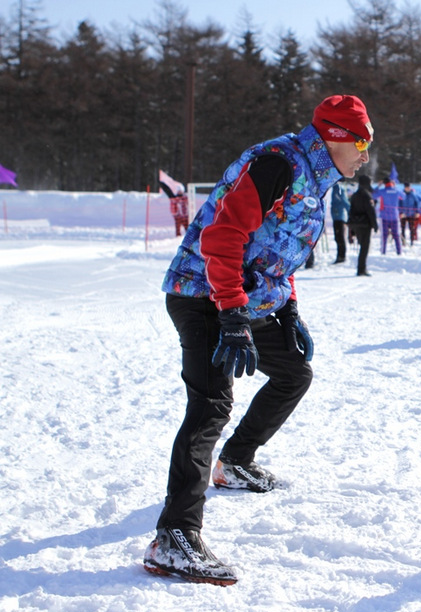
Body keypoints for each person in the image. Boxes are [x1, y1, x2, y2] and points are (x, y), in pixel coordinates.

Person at [147, 94, 373, 585]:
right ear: (334, 136)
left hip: (244, 301)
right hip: (205, 293)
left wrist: (287, 308)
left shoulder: (318, 179)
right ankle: (173, 538)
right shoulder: (278, 163)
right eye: (360, 141)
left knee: (293, 372)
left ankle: (234, 462)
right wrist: (230, 315)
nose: (365, 154)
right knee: (209, 404)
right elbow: (223, 237)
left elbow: (278, 250)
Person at [348, 174, 377, 276]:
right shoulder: (367, 195)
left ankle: (361, 268)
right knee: (364, 247)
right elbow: (370, 211)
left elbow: (351, 210)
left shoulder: (355, 195)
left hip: (356, 224)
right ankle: (361, 269)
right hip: (365, 225)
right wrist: (375, 224)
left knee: (362, 246)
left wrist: (351, 225)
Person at [374, 178, 403, 255]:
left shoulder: (382, 191)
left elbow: (372, 195)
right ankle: (399, 252)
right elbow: (404, 196)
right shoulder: (396, 191)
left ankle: (383, 252)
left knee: (384, 235)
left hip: (384, 216)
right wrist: (395, 186)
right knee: (396, 235)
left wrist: (378, 186)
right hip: (394, 216)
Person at [158, 173, 190, 237]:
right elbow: (167, 190)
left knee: (188, 229)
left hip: (185, 216)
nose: (179, 192)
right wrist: (161, 183)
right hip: (177, 216)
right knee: (178, 230)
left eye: (180, 191)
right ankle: (178, 238)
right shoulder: (174, 198)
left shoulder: (185, 198)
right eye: (178, 191)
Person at [330, 179, 350, 264]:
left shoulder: (338, 188)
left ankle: (341, 256)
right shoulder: (336, 187)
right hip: (337, 215)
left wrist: (350, 212)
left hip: (339, 215)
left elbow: (344, 201)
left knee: (340, 236)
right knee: (338, 237)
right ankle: (340, 255)